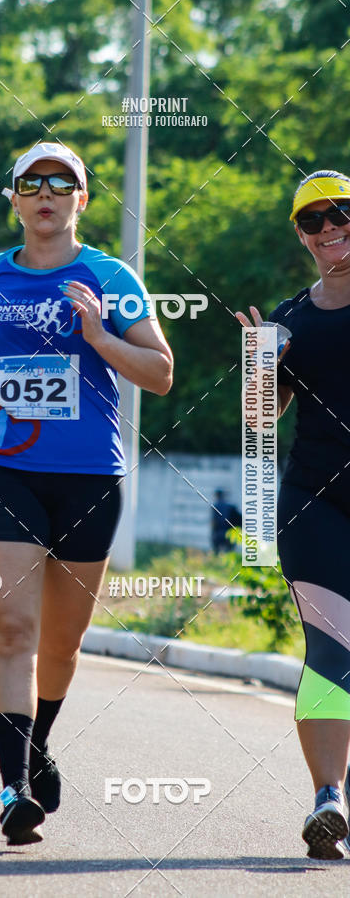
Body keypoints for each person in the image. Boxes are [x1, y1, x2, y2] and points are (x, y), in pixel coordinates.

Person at [0, 142, 173, 844]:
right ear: (13, 199)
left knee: (62, 647)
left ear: (81, 200)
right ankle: (12, 789)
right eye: (31, 183)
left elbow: (159, 373)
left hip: (88, 478)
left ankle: (38, 745)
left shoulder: (109, 276)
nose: (45, 192)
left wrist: (98, 333)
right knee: (14, 631)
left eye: (60, 182)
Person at [236, 170, 350, 860]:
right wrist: (259, 365)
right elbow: (257, 422)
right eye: (314, 221)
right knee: (332, 647)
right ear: (300, 235)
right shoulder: (291, 320)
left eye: (343, 213)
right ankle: (328, 797)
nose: (331, 228)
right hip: (315, 500)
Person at [211, 489, 242, 553]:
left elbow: (214, 523)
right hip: (230, 534)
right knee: (230, 553)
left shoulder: (215, 506)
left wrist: (213, 535)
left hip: (218, 535)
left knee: (218, 553)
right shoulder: (231, 507)